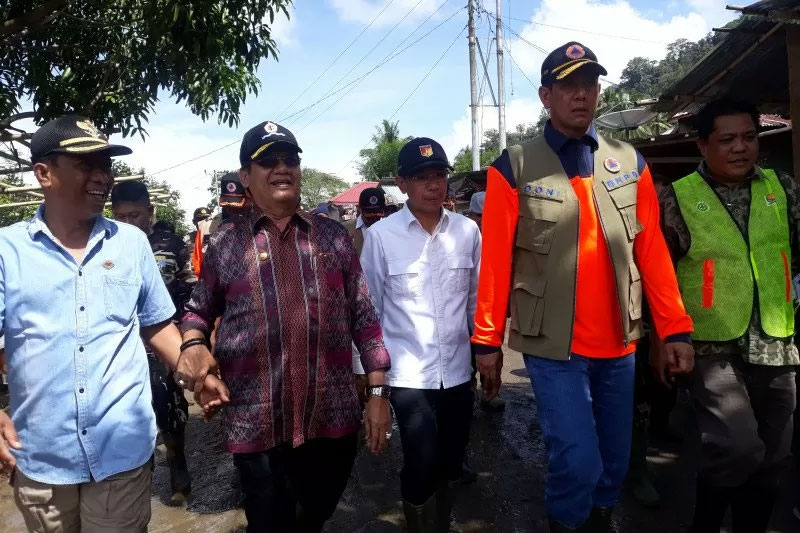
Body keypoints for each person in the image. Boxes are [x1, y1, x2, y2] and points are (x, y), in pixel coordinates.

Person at [471, 43, 695, 533]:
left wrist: (674, 329)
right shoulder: (515, 166)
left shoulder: (630, 161)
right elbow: (495, 263)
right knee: (578, 462)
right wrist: (485, 340)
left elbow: (652, 251)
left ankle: (595, 522)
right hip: (554, 348)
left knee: (613, 465)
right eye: (569, 85)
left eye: (590, 84)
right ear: (545, 96)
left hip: (620, 344)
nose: (582, 95)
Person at [0, 115, 227, 532]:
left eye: (105, 165)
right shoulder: (6, 250)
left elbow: (157, 324)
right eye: (86, 164)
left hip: (121, 449)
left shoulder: (131, 243)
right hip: (43, 458)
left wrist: (194, 370)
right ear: (43, 173)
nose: (102, 176)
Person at [182, 120, 392, 533]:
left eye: (289, 159)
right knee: (269, 521)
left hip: (330, 416)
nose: (282, 168)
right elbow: (197, 312)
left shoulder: (333, 237)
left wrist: (378, 393)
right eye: (268, 162)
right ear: (246, 177)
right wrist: (193, 343)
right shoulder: (226, 244)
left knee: (316, 513)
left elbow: (365, 318)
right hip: (256, 420)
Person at [657, 99, 799, 533]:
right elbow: (658, 276)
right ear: (703, 145)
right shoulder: (678, 198)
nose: (741, 148)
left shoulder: (782, 188)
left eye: (749, 137)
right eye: (727, 140)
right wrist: (660, 340)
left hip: (775, 341)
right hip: (709, 346)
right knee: (738, 449)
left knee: (774, 458)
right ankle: (706, 523)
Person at [361, 137, 481, 531]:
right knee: (421, 458)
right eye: (422, 177)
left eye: (440, 175)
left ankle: (439, 523)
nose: (434, 185)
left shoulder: (467, 232)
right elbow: (368, 309)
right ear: (403, 183)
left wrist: (485, 352)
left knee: (451, 460)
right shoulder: (382, 237)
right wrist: (370, 379)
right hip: (409, 373)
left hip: (460, 372)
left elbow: (474, 302)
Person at [111, 180, 197, 505]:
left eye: (135, 215)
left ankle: (179, 475)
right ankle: (136, 484)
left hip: (162, 348)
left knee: (169, 410)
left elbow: (191, 293)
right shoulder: (105, 247)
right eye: (122, 216)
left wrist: (186, 340)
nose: (129, 223)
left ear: (150, 211)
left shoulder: (171, 246)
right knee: (129, 417)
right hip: (120, 350)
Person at [191, 172, 249, 277]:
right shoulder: (205, 227)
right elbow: (198, 263)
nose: (232, 209)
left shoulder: (258, 224)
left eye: (237, 205)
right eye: (227, 205)